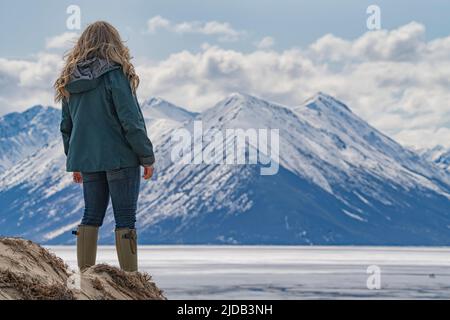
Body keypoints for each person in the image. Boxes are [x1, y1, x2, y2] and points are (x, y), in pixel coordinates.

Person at [54, 21, 155, 272]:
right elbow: (130, 120)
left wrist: (76, 161)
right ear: (114, 43)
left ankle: (86, 280)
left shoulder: (70, 80)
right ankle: (131, 282)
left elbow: (67, 126)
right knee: (125, 220)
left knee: (91, 216)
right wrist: (146, 156)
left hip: (88, 160)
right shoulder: (115, 74)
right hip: (121, 157)